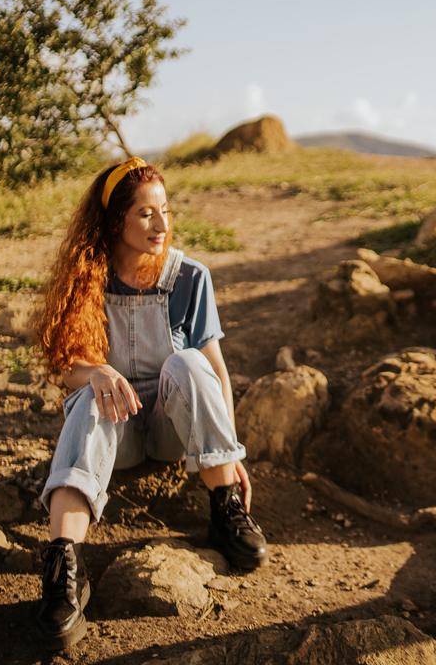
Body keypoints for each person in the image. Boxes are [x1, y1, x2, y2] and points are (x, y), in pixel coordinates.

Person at [32, 157, 268, 650]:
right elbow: (65, 365)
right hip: (117, 437)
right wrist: (95, 371)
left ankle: (225, 512)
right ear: (116, 220)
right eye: (145, 214)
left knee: (187, 365)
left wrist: (231, 452)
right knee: (89, 395)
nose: (161, 224)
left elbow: (215, 372)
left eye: (164, 209)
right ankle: (64, 568)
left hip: (169, 431)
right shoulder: (88, 277)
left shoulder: (190, 278)